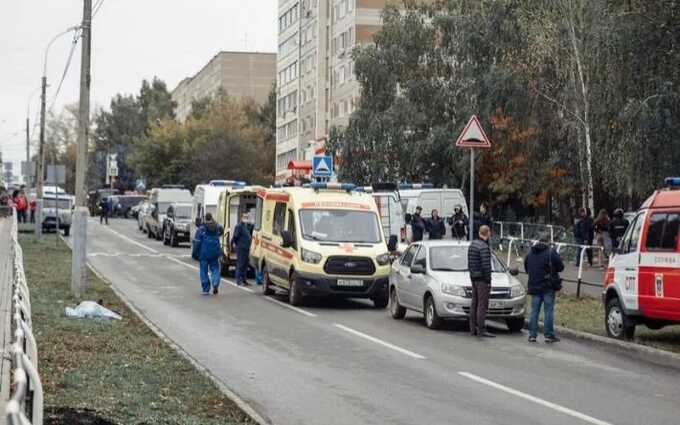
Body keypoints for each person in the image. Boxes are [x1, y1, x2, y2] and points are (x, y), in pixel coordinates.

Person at [525, 232, 565, 343]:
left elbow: (527, 268)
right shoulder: (551, 252)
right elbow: (561, 267)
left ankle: (532, 335)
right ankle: (548, 335)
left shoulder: (530, 253)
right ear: (548, 241)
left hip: (534, 285)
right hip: (548, 286)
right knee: (548, 311)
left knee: (534, 311)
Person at [467, 225, 495, 337]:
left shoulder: (472, 244)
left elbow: (469, 262)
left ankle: (472, 328)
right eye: (489, 233)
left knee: (474, 303)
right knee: (482, 305)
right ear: (487, 233)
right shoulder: (484, 247)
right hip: (482, 279)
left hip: (474, 277)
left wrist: (472, 275)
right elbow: (486, 265)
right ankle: (481, 328)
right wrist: (488, 280)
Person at [192, 213, 224, 295]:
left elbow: (197, 242)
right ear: (212, 218)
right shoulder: (217, 227)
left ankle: (206, 289)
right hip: (214, 252)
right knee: (215, 269)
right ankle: (215, 282)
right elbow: (222, 231)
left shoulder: (201, 229)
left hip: (204, 253)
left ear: (205, 219)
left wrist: (194, 253)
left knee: (203, 271)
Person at [232, 211, 253, 286]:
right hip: (241, 248)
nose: (246, 218)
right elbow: (235, 237)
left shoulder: (246, 226)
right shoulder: (239, 226)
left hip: (247, 248)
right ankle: (238, 280)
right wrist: (236, 245)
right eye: (244, 217)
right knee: (240, 264)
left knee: (245, 264)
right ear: (241, 217)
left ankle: (244, 280)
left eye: (247, 217)